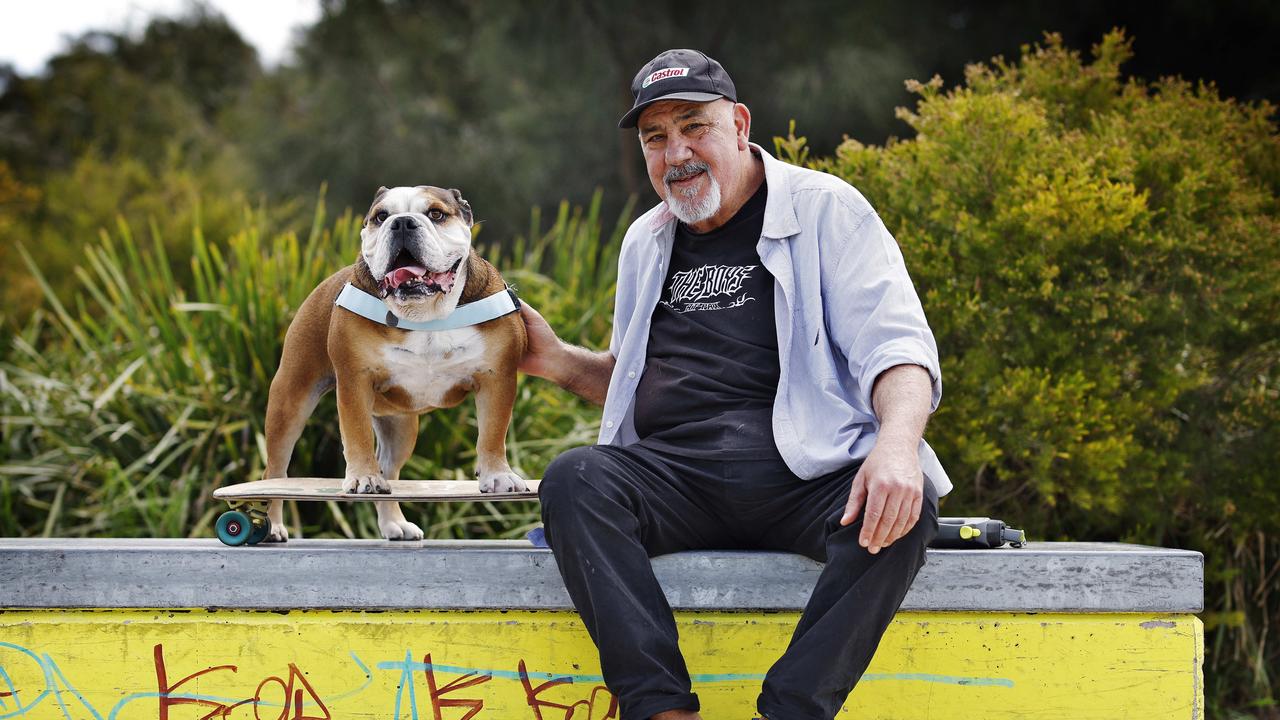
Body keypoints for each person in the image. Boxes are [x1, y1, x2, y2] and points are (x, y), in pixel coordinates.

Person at [517, 48, 951, 720]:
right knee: (576, 479)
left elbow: (897, 349)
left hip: (804, 475)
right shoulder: (646, 241)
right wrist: (553, 360)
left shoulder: (826, 208)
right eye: (655, 138)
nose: (676, 153)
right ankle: (661, 708)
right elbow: (635, 381)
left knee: (904, 509)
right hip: (676, 479)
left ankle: (792, 708)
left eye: (694, 127)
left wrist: (897, 446)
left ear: (740, 123)